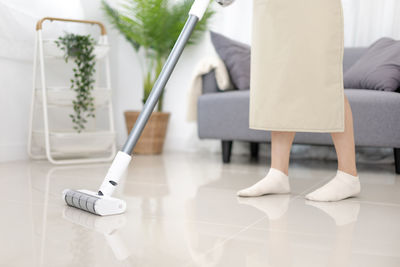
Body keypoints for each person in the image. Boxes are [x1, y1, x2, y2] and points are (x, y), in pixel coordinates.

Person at [237, 0, 361, 201]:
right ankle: (278, 173)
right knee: (280, 78)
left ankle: (348, 175)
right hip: (273, 8)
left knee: (323, 78)